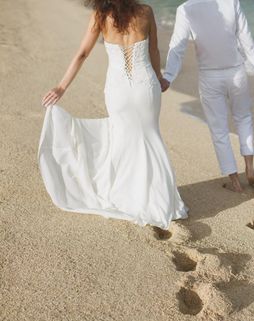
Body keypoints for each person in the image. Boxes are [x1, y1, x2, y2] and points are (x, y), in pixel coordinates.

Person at [40, 0, 187, 229]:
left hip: (118, 90)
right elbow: (153, 50)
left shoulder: (100, 15)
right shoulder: (146, 11)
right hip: (145, 86)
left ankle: (128, 196)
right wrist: (159, 79)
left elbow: (82, 54)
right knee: (151, 138)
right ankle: (160, 200)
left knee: (124, 141)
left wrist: (61, 87)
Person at [162, 0, 254, 193]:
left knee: (219, 130)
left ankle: (235, 181)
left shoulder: (185, 9)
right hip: (236, 72)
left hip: (210, 77)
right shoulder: (231, 2)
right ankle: (250, 167)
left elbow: (178, 46)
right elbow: (246, 38)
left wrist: (168, 76)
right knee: (243, 118)